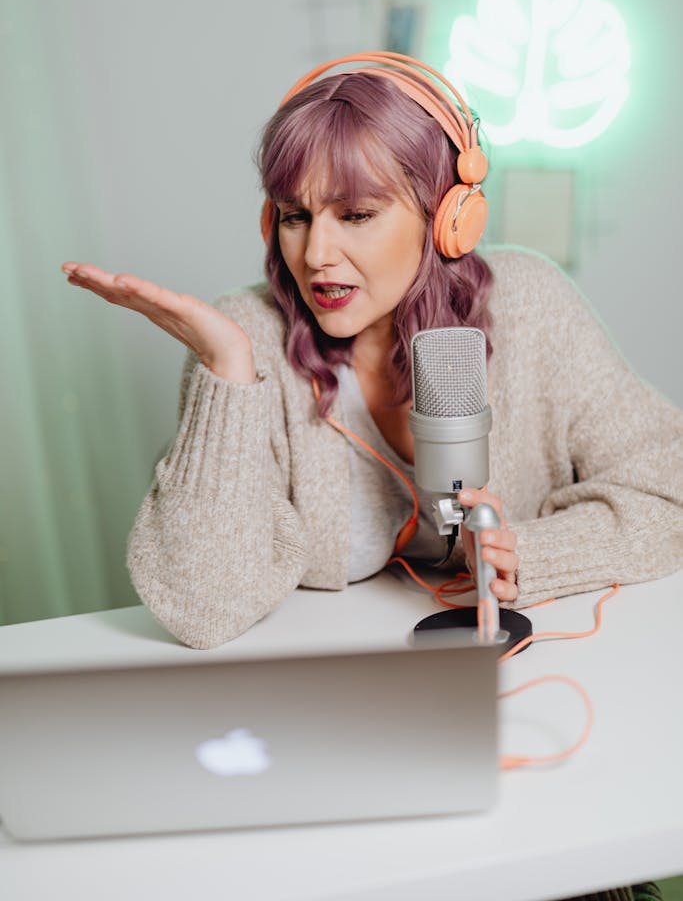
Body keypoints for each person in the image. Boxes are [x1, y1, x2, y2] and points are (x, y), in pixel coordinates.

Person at [62, 51, 683, 653]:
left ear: (445, 217)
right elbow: (200, 606)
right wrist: (227, 369)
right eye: (294, 215)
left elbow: (668, 489)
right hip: (344, 679)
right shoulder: (248, 337)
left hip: (543, 662)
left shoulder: (531, 304)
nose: (314, 255)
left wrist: (533, 555)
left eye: (356, 214)